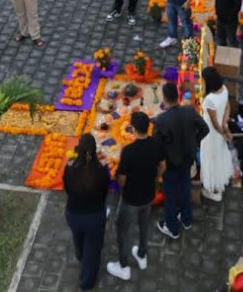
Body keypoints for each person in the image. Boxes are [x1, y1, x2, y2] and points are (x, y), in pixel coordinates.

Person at [106, 112, 164, 281]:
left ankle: (124, 266)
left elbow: (122, 178)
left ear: (133, 129)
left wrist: (125, 187)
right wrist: (155, 178)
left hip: (131, 198)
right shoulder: (156, 144)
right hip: (148, 195)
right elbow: (162, 165)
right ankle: (142, 254)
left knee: (123, 230)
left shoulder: (129, 151)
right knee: (144, 225)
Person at [154, 81, 209, 240]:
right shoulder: (189, 112)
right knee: (185, 188)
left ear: (164, 99)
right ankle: (187, 219)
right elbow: (205, 129)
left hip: (171, 164)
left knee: (170, 195)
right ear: (178, 96)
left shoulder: (162, 120)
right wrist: (194, 141)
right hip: (187, 160)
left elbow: (157, 145)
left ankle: (172, 228)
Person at [63, 133, 110, 292]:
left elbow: (67, 189)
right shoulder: (102, 170)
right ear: (94, 150)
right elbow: (105, 191)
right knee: (93, 247)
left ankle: (80, 255)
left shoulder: (70, 168)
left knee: (78, 237)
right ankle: (86, 282)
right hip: (94, 216)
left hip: (73, 214)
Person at [199, 66, 234, 201]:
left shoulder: (210, 100)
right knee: (218, 156)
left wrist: (224, 131)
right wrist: (225, 125)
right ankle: (218, 183)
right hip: (219, 132)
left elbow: (214, 123)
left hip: (211, 134)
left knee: (210, 159)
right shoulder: (224, 89)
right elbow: (227, 107)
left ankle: (213, 190)